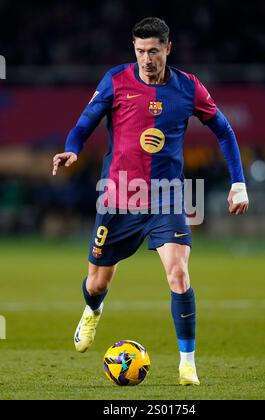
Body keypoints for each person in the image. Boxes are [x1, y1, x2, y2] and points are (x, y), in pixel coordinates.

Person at [52, 17, 249, 386]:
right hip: (119, 198)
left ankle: (187, 363)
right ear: (134, 50)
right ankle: (93, 309)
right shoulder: (116, 80)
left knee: (178, 275)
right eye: (140, 51)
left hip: (167, 199)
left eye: (153, 51)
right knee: (96, 283)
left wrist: (238, 182)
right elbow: (84, 122)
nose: (146, 58)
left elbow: (224, 129)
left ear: (167, 49)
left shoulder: (188, 87)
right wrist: (72, 150)